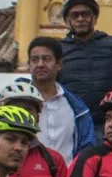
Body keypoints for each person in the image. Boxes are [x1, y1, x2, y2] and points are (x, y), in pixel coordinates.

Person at [59, 0, 112, 113]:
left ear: (95, 18)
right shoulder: (59, 49)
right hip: (72, 119)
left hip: (109, 118)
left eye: (86, 14)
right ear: (67, 21)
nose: (80, 19)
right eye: (75, 15)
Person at [27, 35, 96, 163]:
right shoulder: (16, 103)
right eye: (35, 60)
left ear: (59, 64)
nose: (40, 64)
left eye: (46, 59)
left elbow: (86, 149)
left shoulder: (77, 108)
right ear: (29, 65)